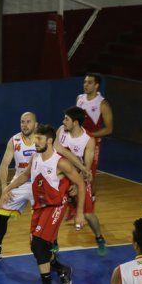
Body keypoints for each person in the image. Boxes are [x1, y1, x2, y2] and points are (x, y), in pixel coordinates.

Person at [0, 124, 86, 284]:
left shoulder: (60, 162)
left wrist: (79, 213)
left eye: (39, 139)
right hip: (39, 206)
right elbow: (25, 175)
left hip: (55, 206)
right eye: (35, 138)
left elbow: (80, 183)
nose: (35, 142)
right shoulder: (35, 157)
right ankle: (62, 269)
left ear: (49, 141)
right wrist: (7, 188)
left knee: (39, 245)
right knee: (35, 246)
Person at [0, 112, 37, 262]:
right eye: (22, 122)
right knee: (1, 213)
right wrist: (4, 188)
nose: (25, 125)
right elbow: (4, 164)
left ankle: (52, 246)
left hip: (39, 184)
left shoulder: (42, 140)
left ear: (36, 124)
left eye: (28, 122)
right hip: (19, 182)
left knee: (44, 217)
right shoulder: (14, 140)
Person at [57, 106, 107, 255]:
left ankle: (99, 238)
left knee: (88, 214)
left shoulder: (88, 140)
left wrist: (75, 183)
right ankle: (52, 242)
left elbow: (86, 168)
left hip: (78, 176)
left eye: (66, 119)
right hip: (61, 175)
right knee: (54, 209)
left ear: (76, 122)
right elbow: (58, 151)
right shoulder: (61, 131)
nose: (63, 121)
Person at [76, 73, 113, 180]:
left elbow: (109, 129)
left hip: (92, 143)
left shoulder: (103, 104)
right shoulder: (79, 98)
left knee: (88, 173)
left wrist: (89, 135)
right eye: (85, 82)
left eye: (89, 82)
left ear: (96, 85)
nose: (86, 85)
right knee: (75, 171)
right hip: (77, 140)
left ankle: (90, 191)